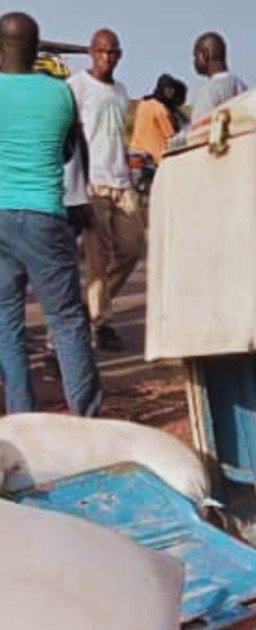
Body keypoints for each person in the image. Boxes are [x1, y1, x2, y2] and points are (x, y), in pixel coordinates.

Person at [0, 12, 102, 416]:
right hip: (44, 215)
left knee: (7, 323)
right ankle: (86, 420)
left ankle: (22, 418)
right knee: (66, 320)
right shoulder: (60, 93)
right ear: (37, 47)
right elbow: (66, 153)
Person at [69, 27, 142, 353]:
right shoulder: (77, 86)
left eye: (112, 52)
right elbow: (69, 136)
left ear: (120, 55)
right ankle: (100, 322)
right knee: (97, 258)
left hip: (121, 180)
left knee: (132, 248)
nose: (106, 58)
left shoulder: (122, 91)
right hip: (93, 182)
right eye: (101, 51)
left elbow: (120, 138)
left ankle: (95, 307)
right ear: (90, 52)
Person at [129, 73, 185, 165]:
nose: (171, 93)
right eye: (168, 89)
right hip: (154, 159)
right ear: (161, 88)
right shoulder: (161, 109)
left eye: (172, 90)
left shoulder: (143, 103)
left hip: (135, 153)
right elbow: (172, 139)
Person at [190, 32, 247, 121]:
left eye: (195, 56)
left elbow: (199, 130)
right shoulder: (241, 86)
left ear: (205, 55)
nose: (194, 62)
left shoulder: (207, 92)